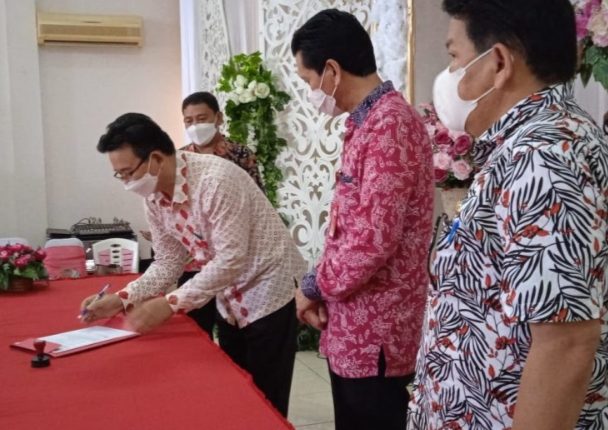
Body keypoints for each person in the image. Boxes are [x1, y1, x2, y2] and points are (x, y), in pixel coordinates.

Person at [408, 1, 608, 429]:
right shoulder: (532, 143)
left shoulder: (543, 156)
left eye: (454, 56)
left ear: (498, 62)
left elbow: (565, 343)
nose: (449, 74)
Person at [80, 113, 305, 417]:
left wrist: (169, 303)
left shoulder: (216, 181)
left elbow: (230, 259)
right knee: (236, 394)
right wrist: (122, 298)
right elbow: (168, 260)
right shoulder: (153, 197)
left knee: (267, 402)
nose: (127, 183)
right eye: (119, 175)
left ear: (155, 158)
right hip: (227, 296)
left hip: (268, 291)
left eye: (128, 172)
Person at [291, 9, 434, 430]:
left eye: (308, 81)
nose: (311, 92)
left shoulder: (390, 125)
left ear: (332, 71)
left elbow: (371, 241)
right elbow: (349, 227)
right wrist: (322, 285)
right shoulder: (367, 122)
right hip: (354, 323)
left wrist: (313, 285)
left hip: (377, 332)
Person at [142, 91, 265, 339]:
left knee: (234, 330)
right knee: (194, 329)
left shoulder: (240, 155)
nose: (195, 126)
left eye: (202, 118)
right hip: (192, 260)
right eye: (189, 121)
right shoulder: (180, 158)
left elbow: (258, 204)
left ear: (218, 118)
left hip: (234, 261)